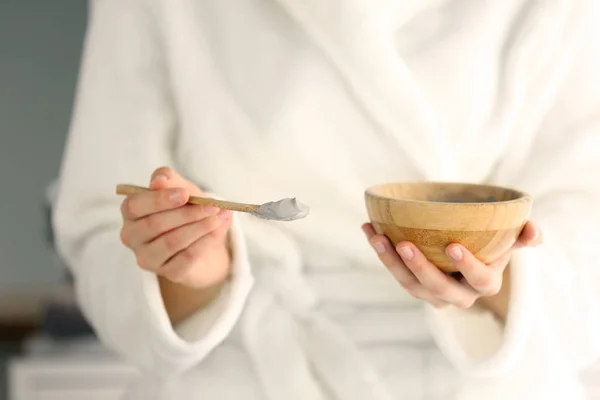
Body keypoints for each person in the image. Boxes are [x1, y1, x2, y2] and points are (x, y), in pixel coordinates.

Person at [53, 0, 600, 399]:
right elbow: (102, 228)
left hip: (483, 381)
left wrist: (499, 287)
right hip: (241, 375)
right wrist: (188, 273)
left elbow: (586, 233)